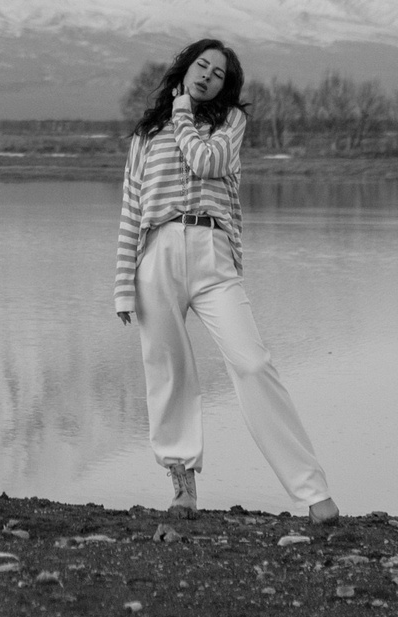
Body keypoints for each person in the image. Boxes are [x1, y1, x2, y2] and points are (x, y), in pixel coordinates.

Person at [115, 38, 338, 521]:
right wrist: (121, 285)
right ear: (185, 66)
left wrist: (181, 115)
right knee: (168, 374)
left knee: (254, 364)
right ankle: (182, 490)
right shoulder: (143, 136)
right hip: (156, 255)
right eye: (202, 65)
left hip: (213, 256)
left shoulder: (229, 123)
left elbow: (207, 162)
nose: (207, 76)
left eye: (218, 73)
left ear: (225, 86)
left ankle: (313, 493)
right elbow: (131, 210)